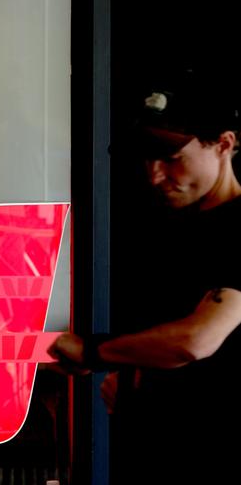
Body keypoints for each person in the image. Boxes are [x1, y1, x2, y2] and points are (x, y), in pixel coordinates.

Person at [48, 69, 241, 484]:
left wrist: (96, 353)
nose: (155, 175)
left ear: (224, 144)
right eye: (148, 158)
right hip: (148, 449)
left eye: (172, 158)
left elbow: (197, 339)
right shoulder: (169, 227)